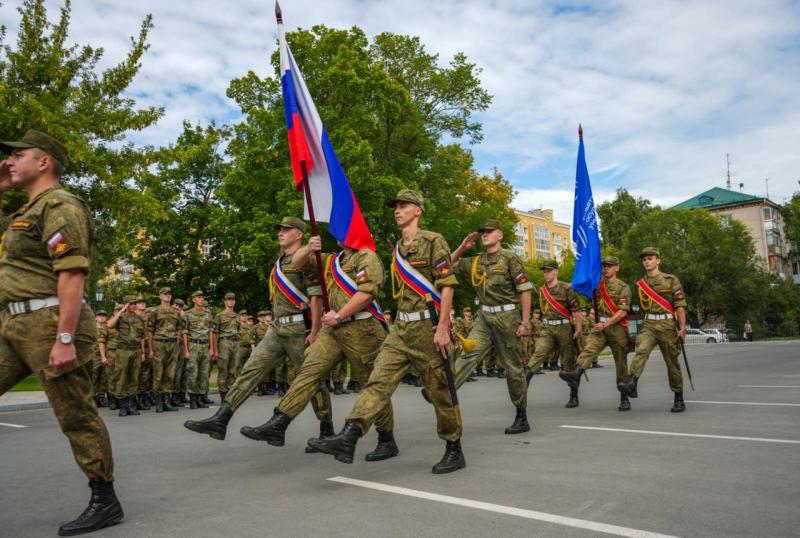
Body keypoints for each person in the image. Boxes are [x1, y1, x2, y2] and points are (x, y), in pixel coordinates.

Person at [0, 130, 122, 535]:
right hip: (15, 324)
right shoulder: (25, 210)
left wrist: (65, 338)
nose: (9, 161)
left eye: (18, 155)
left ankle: (104, 498)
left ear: (44, 162)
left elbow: (71, 271)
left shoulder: (60, 204)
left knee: (75, 413)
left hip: (52, 321)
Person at [309, 189, 464, 474]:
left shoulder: (433, 241)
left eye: (403, 206)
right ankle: (350, 435)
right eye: (395, 206)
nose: (397, 210)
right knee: (377, 381)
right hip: (401, 328)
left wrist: (442, 328)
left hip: (427, 328)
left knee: (440, 391)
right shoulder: (397, 249)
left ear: (418, 210)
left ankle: (453, 447)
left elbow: (447, 285)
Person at [231, 234, 398, 461]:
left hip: (363, 328)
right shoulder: (331, 260)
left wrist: (339, 315)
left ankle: (386, 438)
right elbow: (297, 263)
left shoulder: (367, 257)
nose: (338, 232)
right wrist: (309, 247)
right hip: (333, 330)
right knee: (309, 371)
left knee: (372, 385)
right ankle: (279, 422)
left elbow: (366, 294)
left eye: (343, 228)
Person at [183, 216, 332, 439]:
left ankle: (326, 428)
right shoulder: (280, 261)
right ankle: (221, 419)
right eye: (279, 229)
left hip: (299, 330)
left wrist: (314, 331)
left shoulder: (308, 259)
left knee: (310, 380)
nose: (280, 233)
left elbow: (316, 299)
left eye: (286, 229)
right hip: (276, 328)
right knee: (250, 370)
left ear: (299, 234)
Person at [447, 219, 533, 434]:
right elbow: (446, 266)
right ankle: (444, 393)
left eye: (489, 231)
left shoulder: (509, 259)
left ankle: (521, 415)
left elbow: (525, 289)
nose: (485, 234)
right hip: (484, 317)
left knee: (513, 368)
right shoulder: (476, 261)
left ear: (500, 235)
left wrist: (525, 321)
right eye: (482, 232)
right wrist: (461, 247)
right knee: (468, 353)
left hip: (507, 317)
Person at [618, 247, 688, 413]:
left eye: (650, 258)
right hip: (649, 324)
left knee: (672, 363)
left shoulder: (671, 280)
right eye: (644, 259)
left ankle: (679, 397)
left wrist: (683, 328)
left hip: (667, 325)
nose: (647, 261)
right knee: (641, 350)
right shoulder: (640, 284)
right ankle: (632, 382)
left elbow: (679, 306)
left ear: (658, 260)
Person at [559, 256, 632, 410]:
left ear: (617, 268)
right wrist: (565, 285)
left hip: (616, 327)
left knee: (621, 363)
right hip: (600, 326)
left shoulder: (623, 287)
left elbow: (622, 312)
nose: (606, 268)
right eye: (604, 266)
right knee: (589, 349)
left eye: (610, 266)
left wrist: (605, 324)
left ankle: (624, 398)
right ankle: (576, 374)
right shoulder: (596, 284)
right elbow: (578, 285)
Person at [526, 260, 584, 408]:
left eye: (549, 271)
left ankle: (574, 395)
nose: (546, 274)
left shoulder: (566, 288)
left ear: (556, 272)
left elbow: (576, 311)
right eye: (544, 271)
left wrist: (578, 329)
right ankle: (523, 387)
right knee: (538, 354)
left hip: (564, 327)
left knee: (568, 362)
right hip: (547, 328)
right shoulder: (542, 290)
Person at [108, 296, 146, 416]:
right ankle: (123, 406)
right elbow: (109, 325)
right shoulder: (120, 318)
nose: (134, 305)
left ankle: (131, 406)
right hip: (123, 351)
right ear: (126, 304)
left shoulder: (139, 319)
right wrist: (122, 310)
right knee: (122, 378)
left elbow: (141, 338)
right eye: (131, 304)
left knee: (134, 378)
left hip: (136, 350)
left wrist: (143, 352)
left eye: (135, 303)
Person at [146, 287, 181, 413]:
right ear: (160, 296)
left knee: (170, 374)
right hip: (159, 344)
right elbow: (150, 332)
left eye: (169, 294)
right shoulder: (154, 312)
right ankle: (159, 402)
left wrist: (176, 344)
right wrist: (150, 349)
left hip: (172, 344)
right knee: (158, 374)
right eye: (165, 294)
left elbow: (179, 329)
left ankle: (167, 401)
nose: (167, 296)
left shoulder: (176, 312)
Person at [181, 291, 214, 409]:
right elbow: (184, 333)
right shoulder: (187, 314)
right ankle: (193, 399)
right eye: (199, 297)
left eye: (202, 297)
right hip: (193, 345)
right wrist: (186, 350)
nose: (201, 299)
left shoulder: (208, 314)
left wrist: (211, 347)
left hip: (205, 346)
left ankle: (200, 398)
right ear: (193, 299)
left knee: (204, 373)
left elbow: (210, 331)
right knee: (192, 373)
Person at [211, 292, 240, 403]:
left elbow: (237, 329)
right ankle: (223, 394)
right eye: (228, 299)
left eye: (233, 299)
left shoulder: (237, 316)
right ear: (225, 301)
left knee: (233, 369)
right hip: (224, 343)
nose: (231, 301)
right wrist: (215, 349)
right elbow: (214, 333)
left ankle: (230, 394)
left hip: (235, 343)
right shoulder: (219, 316)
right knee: (223, 369)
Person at [170, 298, 189, 407]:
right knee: (174, 373)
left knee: (182, 372)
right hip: (171, 346)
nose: (178, 308)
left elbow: (185, 330)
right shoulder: (170, 316)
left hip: (181, 347)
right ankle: (173, 396)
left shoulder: (182, 317)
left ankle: (181, 395)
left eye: (180, 306)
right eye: (176, 305)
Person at [93, 310, 110, 408]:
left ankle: (101, 397)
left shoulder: (108, 328)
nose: (102, 317)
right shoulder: (92, 329)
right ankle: (93, 397)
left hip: (106, 355)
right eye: (99, 315)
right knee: (94, 377)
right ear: (96, 317)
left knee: (104, 377)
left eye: (104, 315)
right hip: (94, 356)